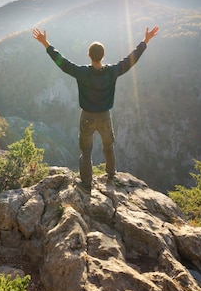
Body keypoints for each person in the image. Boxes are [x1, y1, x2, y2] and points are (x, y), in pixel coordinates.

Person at [32, 26, 159, 193]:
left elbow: (62, 62)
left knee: (86, 152)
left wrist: (46, 44)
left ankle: (86, 184)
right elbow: (130, 60)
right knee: (108, 147)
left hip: (87, 117)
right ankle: (111, 176)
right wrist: (145, 41)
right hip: (105, 116)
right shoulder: (112, 72)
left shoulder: (82, 72)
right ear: (103, 55)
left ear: (88, 55)